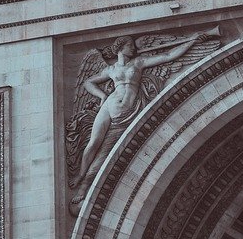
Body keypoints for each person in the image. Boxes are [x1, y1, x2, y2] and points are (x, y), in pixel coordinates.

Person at [70, 32, 210, 188]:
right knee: (93, 142)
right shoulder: (110, 69)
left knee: (106, 148)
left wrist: (191, 41)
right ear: (120, 48)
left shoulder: (138, 63)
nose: (133, 48)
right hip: (109, 106)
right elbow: (88, 82)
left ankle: (86, 183)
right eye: (130, 45)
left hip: (127, 111)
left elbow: (168, 55)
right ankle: (81, 175)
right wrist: (102, 96)